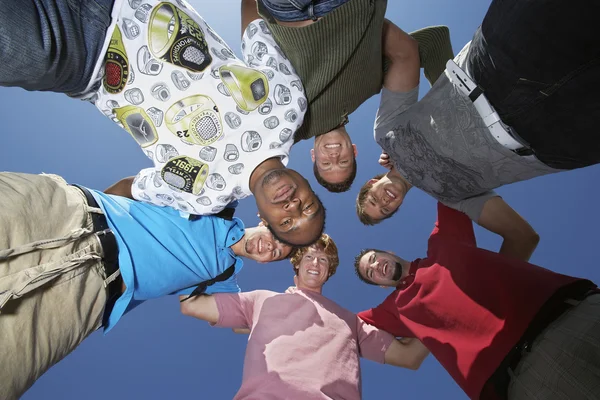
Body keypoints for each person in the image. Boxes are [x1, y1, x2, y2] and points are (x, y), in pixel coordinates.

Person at [0, 0, 325, 247]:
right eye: (308, 207)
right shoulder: (288, 107)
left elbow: (128, 191)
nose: (294, 207)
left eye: (287, 223)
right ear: (308, 187)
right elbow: (255, 27)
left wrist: (79, 225)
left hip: (76, 58)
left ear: (264, 220)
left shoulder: (205, 195)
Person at [0, 172, 293, 400]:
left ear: (267, 263)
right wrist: (106, 215)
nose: (269, 247)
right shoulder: (219, 203)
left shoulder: (224, 280)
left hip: (85, 296)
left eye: (277, 254)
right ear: (266, 221)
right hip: (66, 214)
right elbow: (134, 186)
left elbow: (244, 320)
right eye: (277, 237)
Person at [356, 0, 600, 261]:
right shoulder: (453, 197)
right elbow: (522, 237)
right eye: (385, 210)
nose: (384, 202)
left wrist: (347, 15)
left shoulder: (386, 132)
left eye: (374, 201)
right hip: (556, 140)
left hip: (495, 66)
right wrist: (497, 295)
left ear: (372, 183)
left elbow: (405, 53)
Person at [354, 202, 600, 400]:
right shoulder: (395, 309)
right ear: (379, 284)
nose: (376, 266)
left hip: (576, 313)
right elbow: (342, 327)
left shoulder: (443, 242)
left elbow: (445, 182)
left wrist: (400, 169)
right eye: (370, 272)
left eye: (375, 258)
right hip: (531, 375)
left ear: (391, 253)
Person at [180, 233, 430, 399]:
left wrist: (434, 306)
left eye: (323, 260)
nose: (316, 262)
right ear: (297, 264)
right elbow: (192, 305)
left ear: (329, 271)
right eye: (309, 256)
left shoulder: (351, 322)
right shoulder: (261, 300)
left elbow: (410, 357)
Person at [243, 0, 454, 192]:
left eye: (326, 163)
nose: (334, 157)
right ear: (353, 151)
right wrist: (451, 112)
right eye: (343, 162)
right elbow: (431, 42)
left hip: (297, 10)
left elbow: (254, 43)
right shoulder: (371, 84)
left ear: (313, 155)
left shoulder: (290, 126)